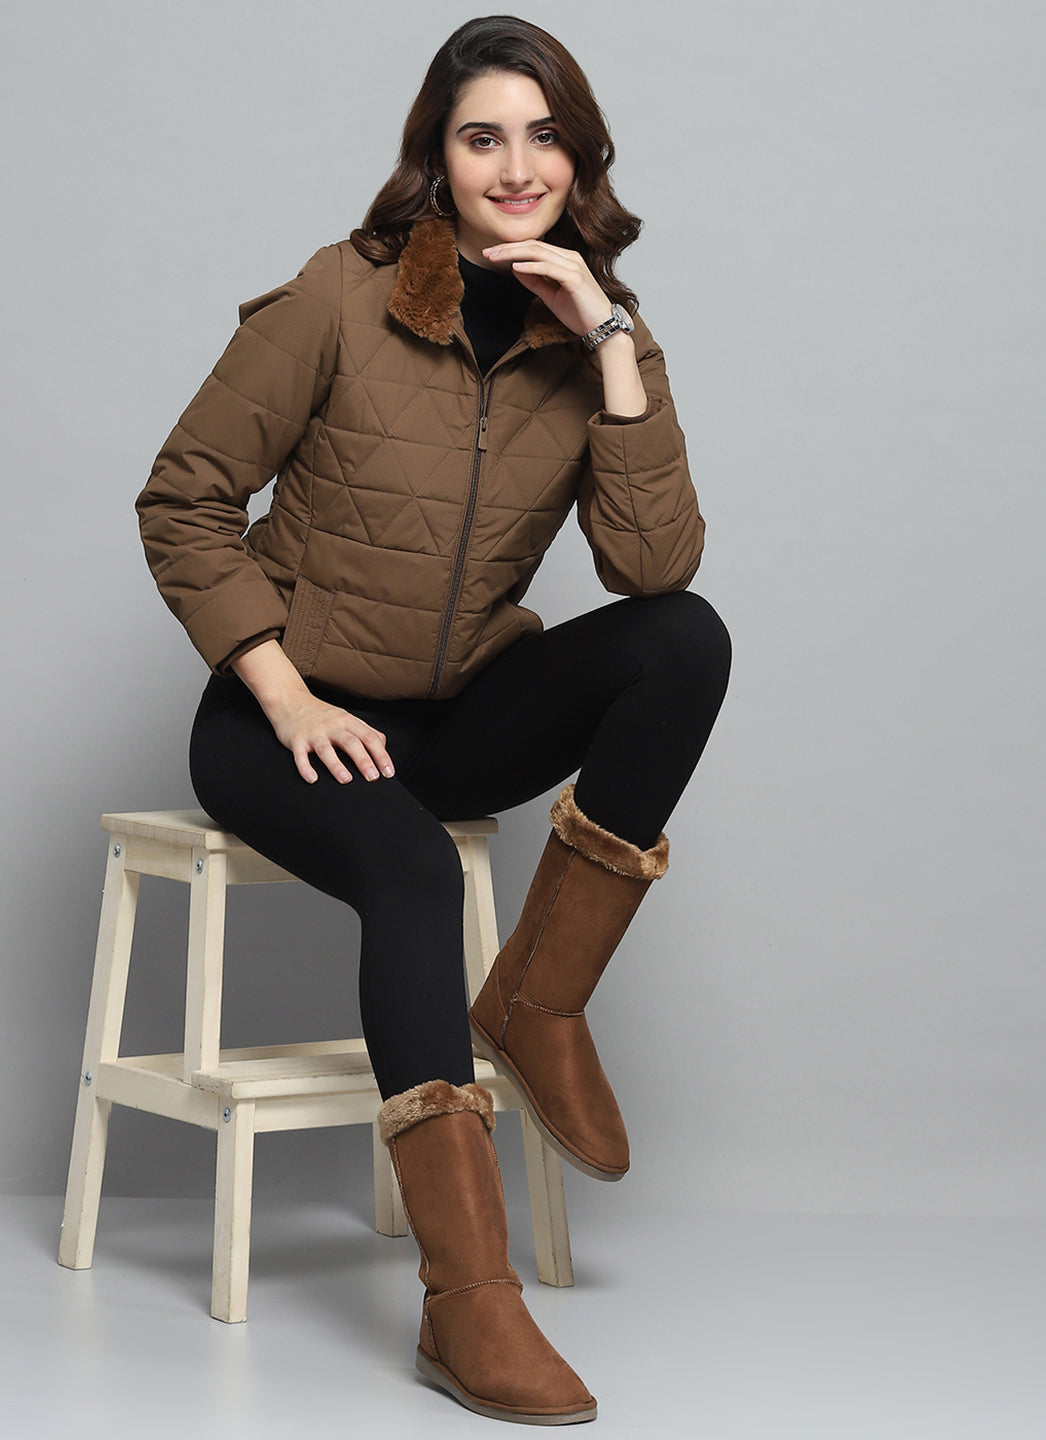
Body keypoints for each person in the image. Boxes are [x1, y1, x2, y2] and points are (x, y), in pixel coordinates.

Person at [137, 14, 731, 1426]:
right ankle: (467, 1302)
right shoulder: (339, 297)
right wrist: (281, 688)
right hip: (279, 715)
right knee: (407, 868)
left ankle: (537, 1001)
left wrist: (610, 342)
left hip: (451, 713)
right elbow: (185, 497)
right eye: (482, 138)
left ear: (580, 158)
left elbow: (653, 569)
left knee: (684, 641)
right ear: (438, 159)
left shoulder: (598, 332)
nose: (516, 166)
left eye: (544, 137)